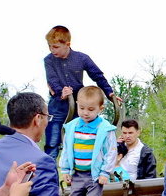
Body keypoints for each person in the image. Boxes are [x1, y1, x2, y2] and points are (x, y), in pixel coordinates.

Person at [41, 25, 119, 160]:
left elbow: (97, 76)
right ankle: (49, 177)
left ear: (67, 44)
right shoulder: (49, 60)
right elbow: (52, 80)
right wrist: (61, 92)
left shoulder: (81, 58)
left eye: (56, 47)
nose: (52, 50)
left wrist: (110, 93)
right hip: (58, 105)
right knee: (52, 143)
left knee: (82, 141)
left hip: (79, 105)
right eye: (50, 46)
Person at [59, 86, 117, 196]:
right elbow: (66, 148)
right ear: (77, 104)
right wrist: (65, 169)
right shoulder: (72, 127)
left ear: (101, 108)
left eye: (91, 109)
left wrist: (105, 171)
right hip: (77, 174)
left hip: (95, 176)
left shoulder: (105, 129)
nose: (85, 112)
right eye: (82, 108)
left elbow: (111, 151)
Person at [114, 119, 157, 196]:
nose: (127, 136)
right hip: (116, 194)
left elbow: (150, 177)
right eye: (124, 133)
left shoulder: (145, 152)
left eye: (130, 133)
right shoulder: (117, 147)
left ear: (138, 132)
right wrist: (113, 145)